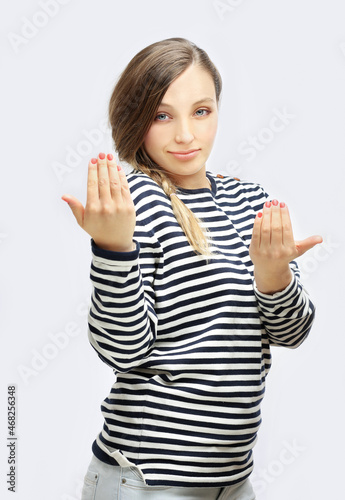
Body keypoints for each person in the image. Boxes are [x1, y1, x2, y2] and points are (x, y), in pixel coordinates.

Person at [62, 37, 323, 500]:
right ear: (136, 120)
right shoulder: (136, 202)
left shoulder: (250, 201)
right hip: (147, 481)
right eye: (163, 115)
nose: (185, 135)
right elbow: (122, 350)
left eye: (201, 111)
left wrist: (273, 277)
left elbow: (292, 332)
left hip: (231, 482)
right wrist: (113, 247)